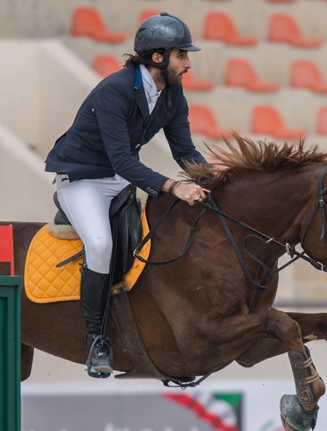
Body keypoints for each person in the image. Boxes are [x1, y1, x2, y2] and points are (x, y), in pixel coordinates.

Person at [45, 12, 210, 379]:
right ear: (158, 58)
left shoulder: (172, 93)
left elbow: (185, 151)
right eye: (182, 55)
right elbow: (122, 160)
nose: (188, 64)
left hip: (119, 179)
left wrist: (218, 180)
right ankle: (96, 341)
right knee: (100, 244)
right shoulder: (114, 91)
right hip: (82, 179)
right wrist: (174, 186)